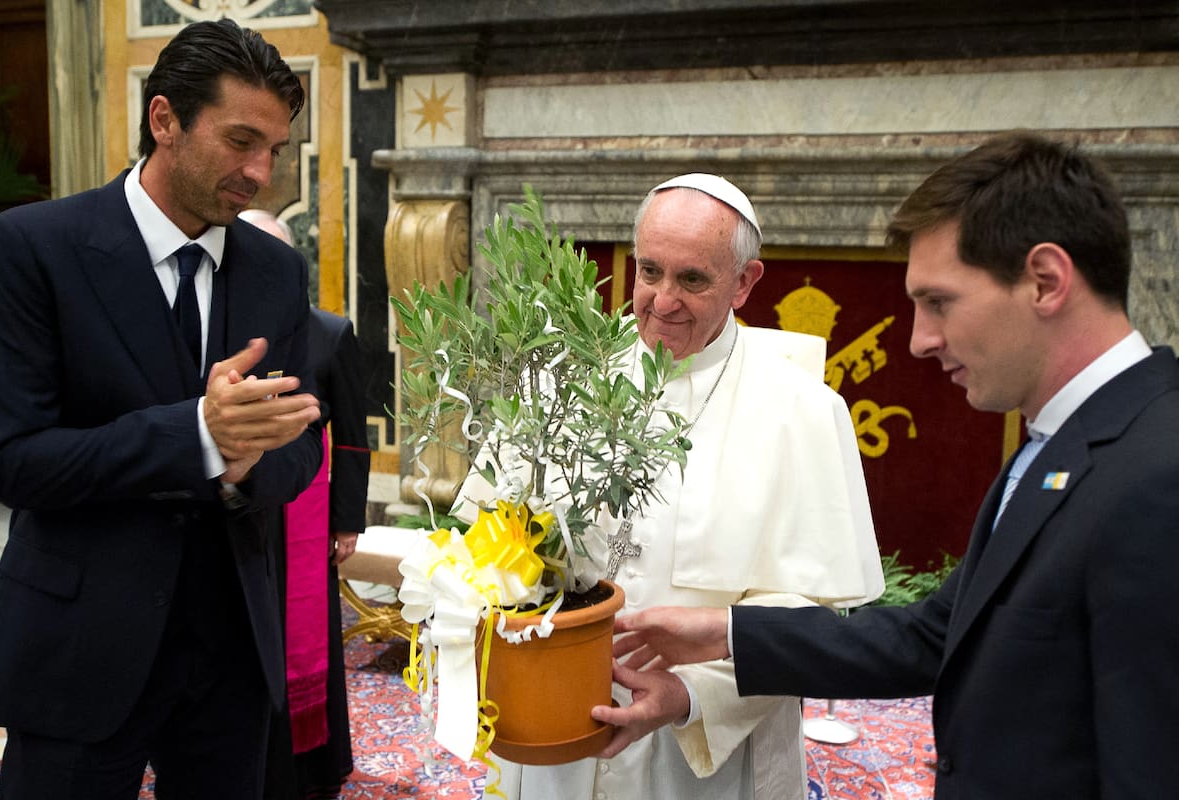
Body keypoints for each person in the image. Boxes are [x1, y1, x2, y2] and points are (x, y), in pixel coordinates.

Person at [608, 133, 1179, 799]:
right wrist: (726, 632)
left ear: (1046, 281)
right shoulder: (1067, 441)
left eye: (939, 301)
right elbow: (934, 636)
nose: (920, 339)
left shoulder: (1159, 475)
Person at [0, 19, 323, 799]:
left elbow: (303, 441)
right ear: (164, 119)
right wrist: (196, 435)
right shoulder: (29, 247)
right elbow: (12, 461)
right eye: (241, 141)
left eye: (276, 149)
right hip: (79, 649)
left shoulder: (275, 269)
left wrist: (245, 464)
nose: (261, 172)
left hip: (232, 654)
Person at [474, 174, 885, 799]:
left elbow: (810, 617)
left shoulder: (803, 413)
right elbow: (491, 543)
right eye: (649, 271)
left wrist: (691, 695)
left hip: (699, 750)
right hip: (554, 731)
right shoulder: (558, 385)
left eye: (693, 279)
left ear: (745, 282)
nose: (662, 301)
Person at [239, 209, 372, 799]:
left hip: (304, 521)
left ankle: (312, 763)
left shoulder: (329, 331)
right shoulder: (213, 330)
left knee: (303, 637)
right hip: (236, 515)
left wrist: (346, 523)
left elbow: (349, 437)